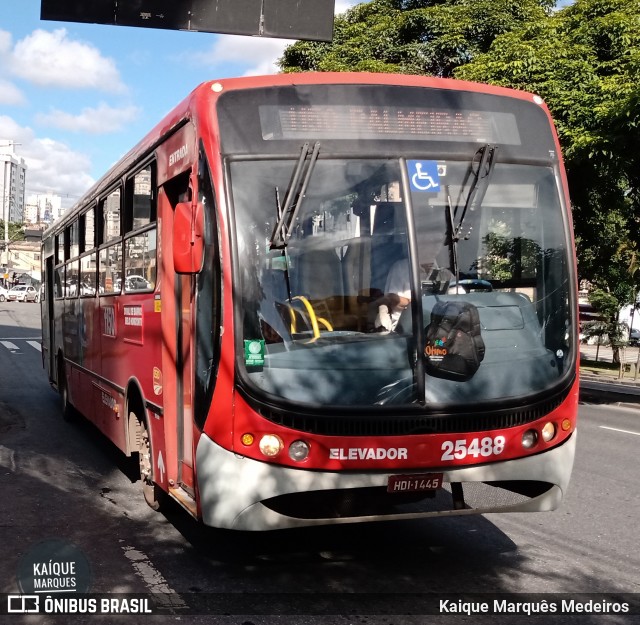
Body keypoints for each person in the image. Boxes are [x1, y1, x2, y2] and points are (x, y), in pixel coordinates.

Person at [370, 259, 411, 333]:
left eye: (437, 246)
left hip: (430, 326)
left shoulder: (435, 265)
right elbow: (392, 297)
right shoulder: (401, 267)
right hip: (402, 329)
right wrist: (417, 302)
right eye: (432, 246)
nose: (436, 249)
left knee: (437, 342)